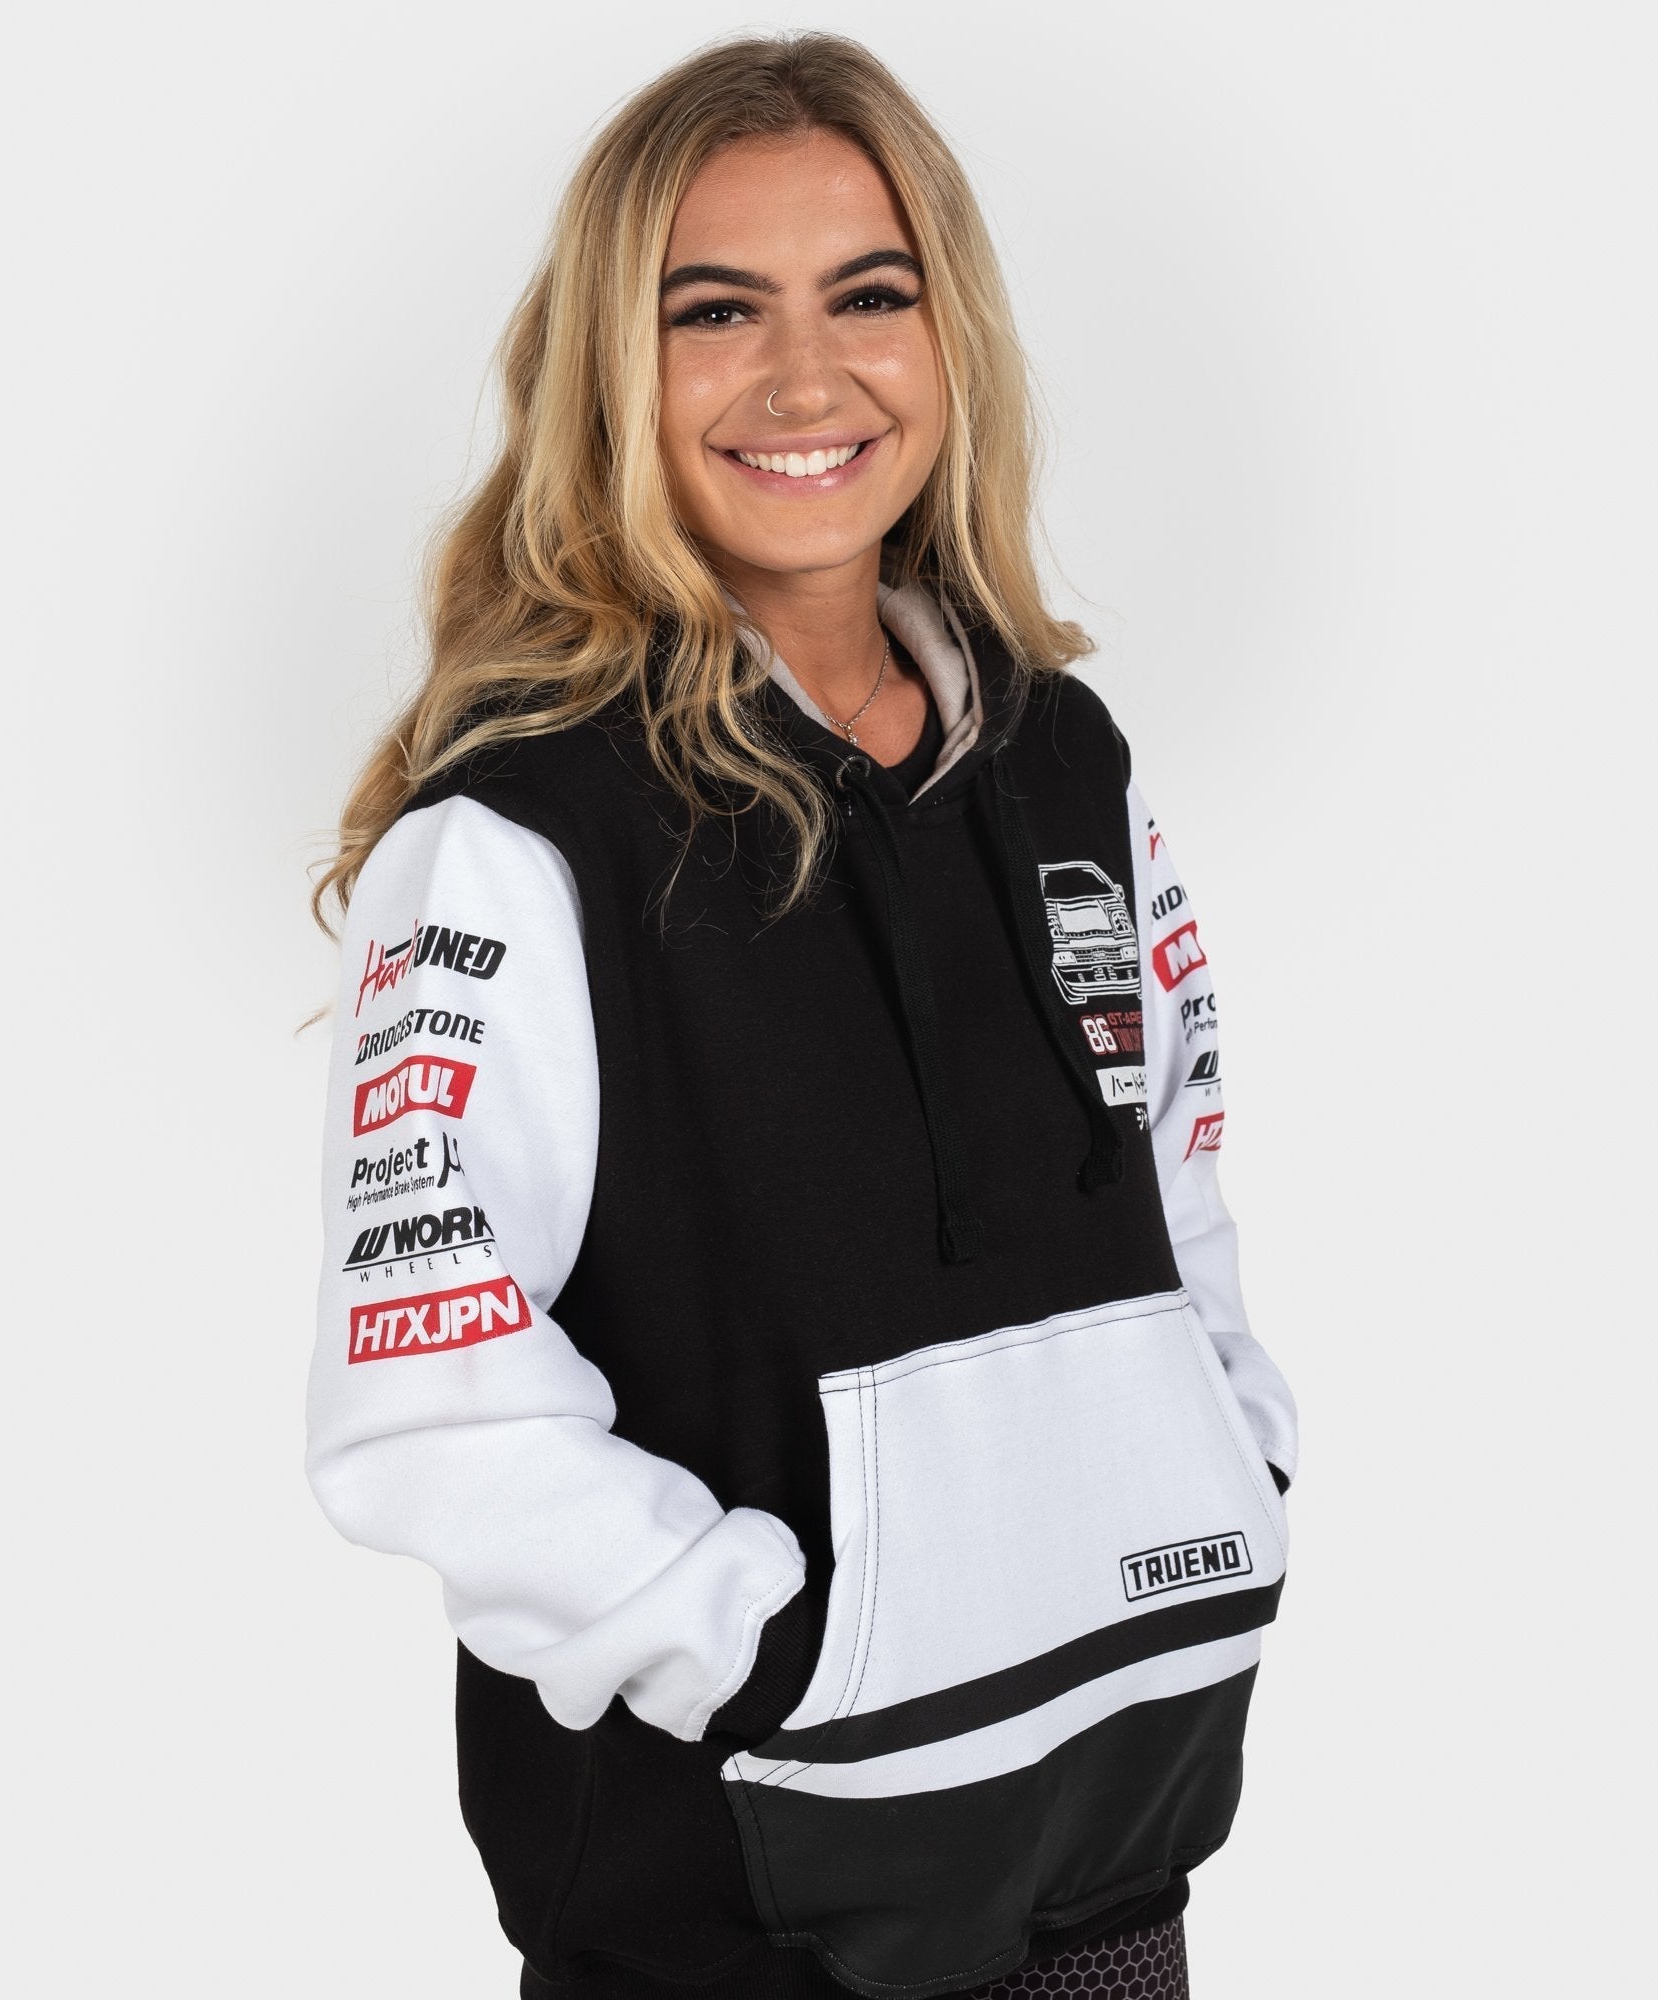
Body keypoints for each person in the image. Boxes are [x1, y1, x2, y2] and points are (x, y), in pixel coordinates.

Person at [305, 32, 1299, 2000]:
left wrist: (1227, 1475)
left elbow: (1176, 1182)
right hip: (751, 1913)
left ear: (948, 335)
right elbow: (426, 1394)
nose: (803, 377)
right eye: (714, 312)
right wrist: (775, 1650)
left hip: (1117, 1874)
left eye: (866, 295)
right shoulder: (518, 838)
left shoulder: (1064, 763)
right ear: (614, 368)